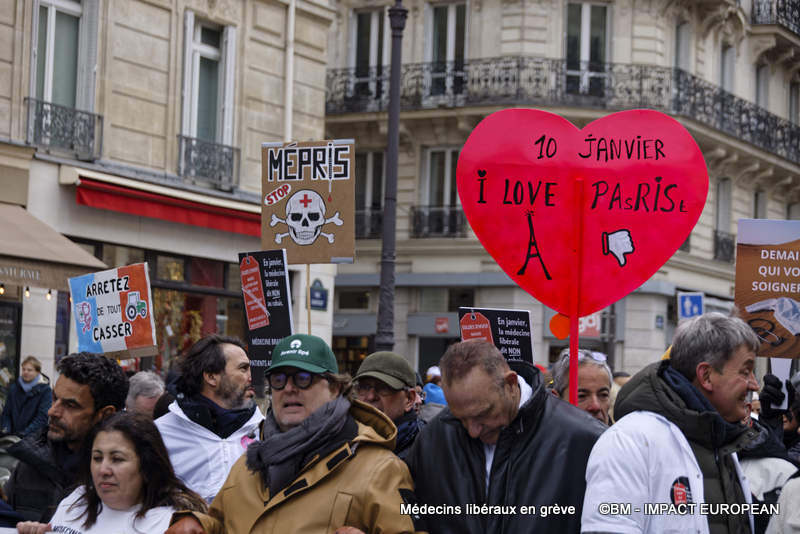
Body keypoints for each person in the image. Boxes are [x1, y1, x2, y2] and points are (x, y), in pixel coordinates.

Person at [165, 333, 423, 534]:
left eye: (303, 378)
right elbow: (222, 524)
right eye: (278, 379)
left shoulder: (381, 470)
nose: (288, 388)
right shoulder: (247, 466)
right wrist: (198, 524)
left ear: (335, 389)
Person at [582, 313, 767, 533]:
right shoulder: (629, 440)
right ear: (706, 376)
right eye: (746, 372)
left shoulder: (719, 439)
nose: (755, 385)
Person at [406, 340, 605, 534]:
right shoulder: (434, 439)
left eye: (482, 414)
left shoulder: (584, 440)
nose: (473, 430)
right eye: (461, 419)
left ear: (510, 384)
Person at [15, 411, 206, 534]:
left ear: (147, 466)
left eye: (117, 459)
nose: (103, 470)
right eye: (97, 458)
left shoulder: (173, 524)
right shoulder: (77, 499)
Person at [5, 352, 128, 523]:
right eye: (55, 398)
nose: (52, 412)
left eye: (70, 405)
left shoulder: (125, 477)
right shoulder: (30, 461)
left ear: (105, 414)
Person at [155, 335, 264, 503]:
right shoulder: (160, 434)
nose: (252, 377)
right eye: (243, 369)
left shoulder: (263, 430)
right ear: (211, 377)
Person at [353, 351, 424, 459]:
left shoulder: (428, 448)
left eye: (383, 388)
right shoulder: (344, 438)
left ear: (409, 399)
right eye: (364, 387)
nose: (371, 396)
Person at [551, 349, 612, 425]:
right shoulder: (543, 436)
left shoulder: (622, 435)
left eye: (603, 395)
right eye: (582, 396)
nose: (595, 406)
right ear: (556, 399)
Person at [0, 356, 51, 437]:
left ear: (38, 372)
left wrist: (24, 434)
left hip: (33, 439)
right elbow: (6, 413)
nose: (25, 372)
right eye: (23, 369)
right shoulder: (14, 388)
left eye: (29, 370)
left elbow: (42, 418)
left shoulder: (45, 390)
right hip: (12, 438)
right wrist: (6, 430)